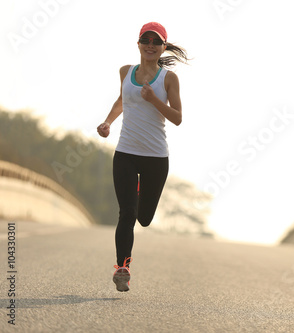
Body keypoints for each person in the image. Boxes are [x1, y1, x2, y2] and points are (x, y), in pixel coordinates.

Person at [97, 22, 188, 292]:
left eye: (156, 41)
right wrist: (107, 123)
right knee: (126, 213)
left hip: (155, 157)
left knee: (144, 217)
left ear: (162, 47)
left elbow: (178, 118)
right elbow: (121, 101)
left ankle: (138, 192)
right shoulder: (126, 72)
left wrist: (153, 99)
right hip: (125, 152)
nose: (150, 45)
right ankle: (122, 268)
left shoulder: (168, 78)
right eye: (145, 40)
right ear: (138, 44)